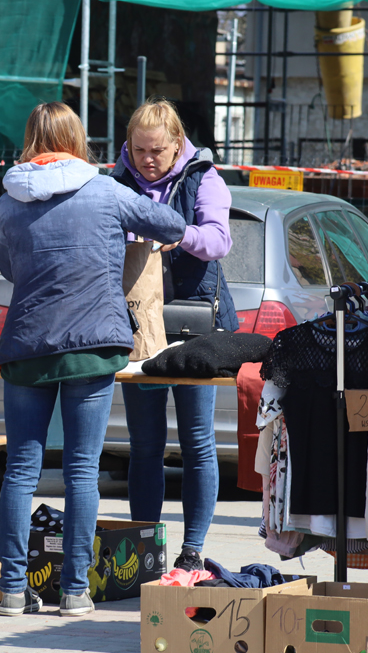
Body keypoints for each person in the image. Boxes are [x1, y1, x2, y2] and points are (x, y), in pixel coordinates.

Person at [0, 101, 186, 617]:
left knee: (20, 470)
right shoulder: (105, 191)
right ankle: (75, 591)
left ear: (31, 139)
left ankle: (11, 589)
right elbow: (171, 224)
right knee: (82, 470)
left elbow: (8, 268)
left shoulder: (8, 202)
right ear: (77, 140)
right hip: (93, 345)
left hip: (27, 346)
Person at [109, 99, 238, 573]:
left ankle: (192, 549)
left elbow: (219, 240)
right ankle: (145, 548)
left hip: (193, 329)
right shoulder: (115, 181)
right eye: (138, 149)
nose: (147, 159)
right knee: (144, 446)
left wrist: (180, 235)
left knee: (197, 443)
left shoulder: (204, 177)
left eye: (157, 151)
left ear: (177, 144)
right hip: (138, 329)